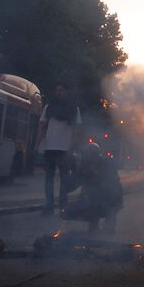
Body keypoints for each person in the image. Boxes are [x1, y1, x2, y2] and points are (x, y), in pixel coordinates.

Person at [36, 82, 81, 215]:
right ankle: (49, 205)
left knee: (64, 179)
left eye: (61, 90)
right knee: (49, 178)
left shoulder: (74, 109)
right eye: (57, 91)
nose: (58, 93)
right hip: (50, 147)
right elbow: (42, 127)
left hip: (65, 149)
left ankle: (63, 206)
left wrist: (71, 148)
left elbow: (76, 131)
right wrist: (37, 144)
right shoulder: (48, 108)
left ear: (66, 92)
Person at [62, 142, 123, 234]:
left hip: (111, 199)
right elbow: (70, 186)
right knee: (79, 207)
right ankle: (93, 227)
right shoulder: (85, 167)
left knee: (109, 206)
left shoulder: (106, 165)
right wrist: (73, 174)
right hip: (93, 200)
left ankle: (109, 228)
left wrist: (96, 175)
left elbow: (113, 188)